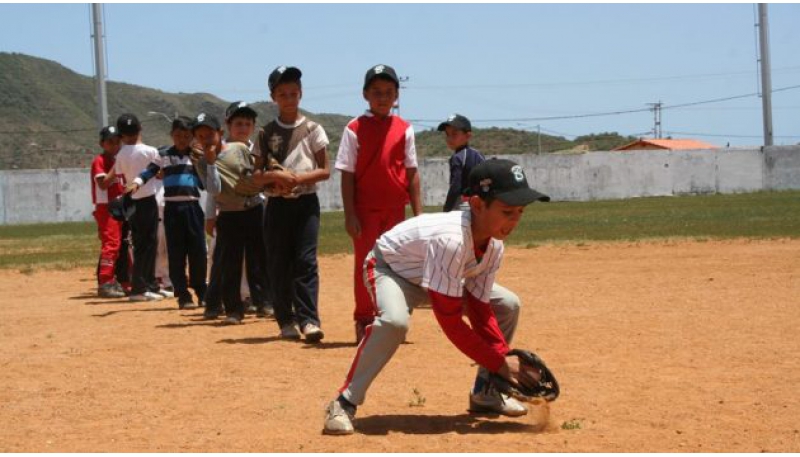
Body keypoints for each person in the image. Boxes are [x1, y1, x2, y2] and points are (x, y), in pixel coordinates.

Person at [322, 158, 551, 435]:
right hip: (392, 270)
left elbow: (479, 309)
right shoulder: (451, 239)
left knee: (506, 304)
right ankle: (344, 402)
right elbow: (451, 323)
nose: (514, 221)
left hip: (439, 276)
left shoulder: (493, 245)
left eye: (520, 211)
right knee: (395, 322)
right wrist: (502, 364)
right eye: (506, 211)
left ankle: (485, 392)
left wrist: (502, 358)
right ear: (478, 205)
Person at [334, 64, 422, 343]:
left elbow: (412, 173)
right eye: (376, 92)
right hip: (365, 211)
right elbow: (346, 174)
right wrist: (350, 214)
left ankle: (393, 318)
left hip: (396, 210)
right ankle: (364, 319)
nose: (382, 97)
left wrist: (418, 215)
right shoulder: (354, 128)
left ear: (396, 95)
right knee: (367, 265)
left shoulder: (404, 128)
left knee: (398, 266)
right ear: (365, 95)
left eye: (388, 92)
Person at [253, 66, 330, 342]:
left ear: (301, 93)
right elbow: (256, 175)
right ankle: (286, 320)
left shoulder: (313, 129)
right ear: (273, 96)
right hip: (276, 206)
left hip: (306, 203)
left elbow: (325, 170)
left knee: (306, 261)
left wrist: (297, 179)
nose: (289, 98)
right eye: (282, 93)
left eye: (294, 93)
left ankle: (309, 320)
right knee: (278, 262)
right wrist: (275, 176)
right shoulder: (265, 133)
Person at [126, 116, 207, 309]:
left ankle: (201, 290)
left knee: (198, 251)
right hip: (172, 209)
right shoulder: (163, 155)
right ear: (172, 135)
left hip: (193, 208)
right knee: (176, 253)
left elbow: (204, 185)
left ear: (192, 137)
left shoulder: (196, 156)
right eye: (178, 135)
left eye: (186, 136)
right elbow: (149, 171)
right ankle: (182, 294)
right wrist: (137, 183)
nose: (182, 139)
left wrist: (201, 162)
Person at [195, 111, 268, 324]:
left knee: (259, 258)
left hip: (253, 208)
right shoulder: (201, 163)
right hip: (228, 214)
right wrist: (209, 163)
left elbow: (254, 173)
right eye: (200, 136)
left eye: (209, 134)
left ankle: (264, 302)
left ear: (219, 132)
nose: (206, 139)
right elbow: (214, 189)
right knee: (230, 264)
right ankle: (234, 310)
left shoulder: (240, 148)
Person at [113, 113, 164, 302]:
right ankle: (140, 288)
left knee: (141, 244)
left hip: (132, 201)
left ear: (121, 135)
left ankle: (149, 285)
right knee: (148, 245)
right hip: (148, 200)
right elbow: (159, 174)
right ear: (140, 128)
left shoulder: (120, 155)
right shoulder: (150, 151)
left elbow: (119, 180)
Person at [91, 125, 127, 298]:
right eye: (110, 142)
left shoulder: (118, 161)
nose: (114, 146)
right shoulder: (100, 160)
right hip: (106, 207)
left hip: (119, 207)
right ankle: (105, 282)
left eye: (117, 142)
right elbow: (103, 183)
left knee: (119, 245)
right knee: (111, 244)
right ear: (102, 144)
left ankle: (116, 279)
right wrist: (117, 166)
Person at [437, 114, 485, 212]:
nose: (449, 138)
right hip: (481, 204)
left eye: (454, 134)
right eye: (447, 134)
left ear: (468, 136)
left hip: (463, 206)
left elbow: (455, 187)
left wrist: (447, 208)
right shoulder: (479, 154)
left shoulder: (457, 158)